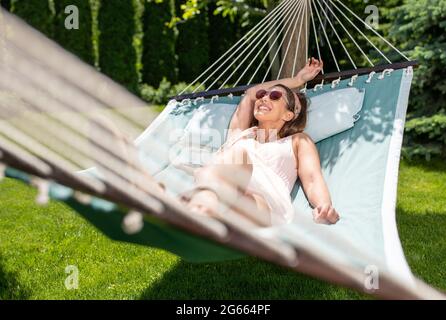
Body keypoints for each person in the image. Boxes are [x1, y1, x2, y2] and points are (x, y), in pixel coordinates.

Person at [166, 58, 339, 227]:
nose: (264, 98)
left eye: (275, 96)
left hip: (261, 204)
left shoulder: (297, 141)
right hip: (222, 192)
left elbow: (312, 178)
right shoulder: (240, 134)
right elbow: (250, 94)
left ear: (289, 115)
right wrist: (297, 79)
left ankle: (194, 208)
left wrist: (323, 206)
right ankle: (201, 209)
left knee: (236, 155)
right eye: (263, 94)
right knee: (229, 159)